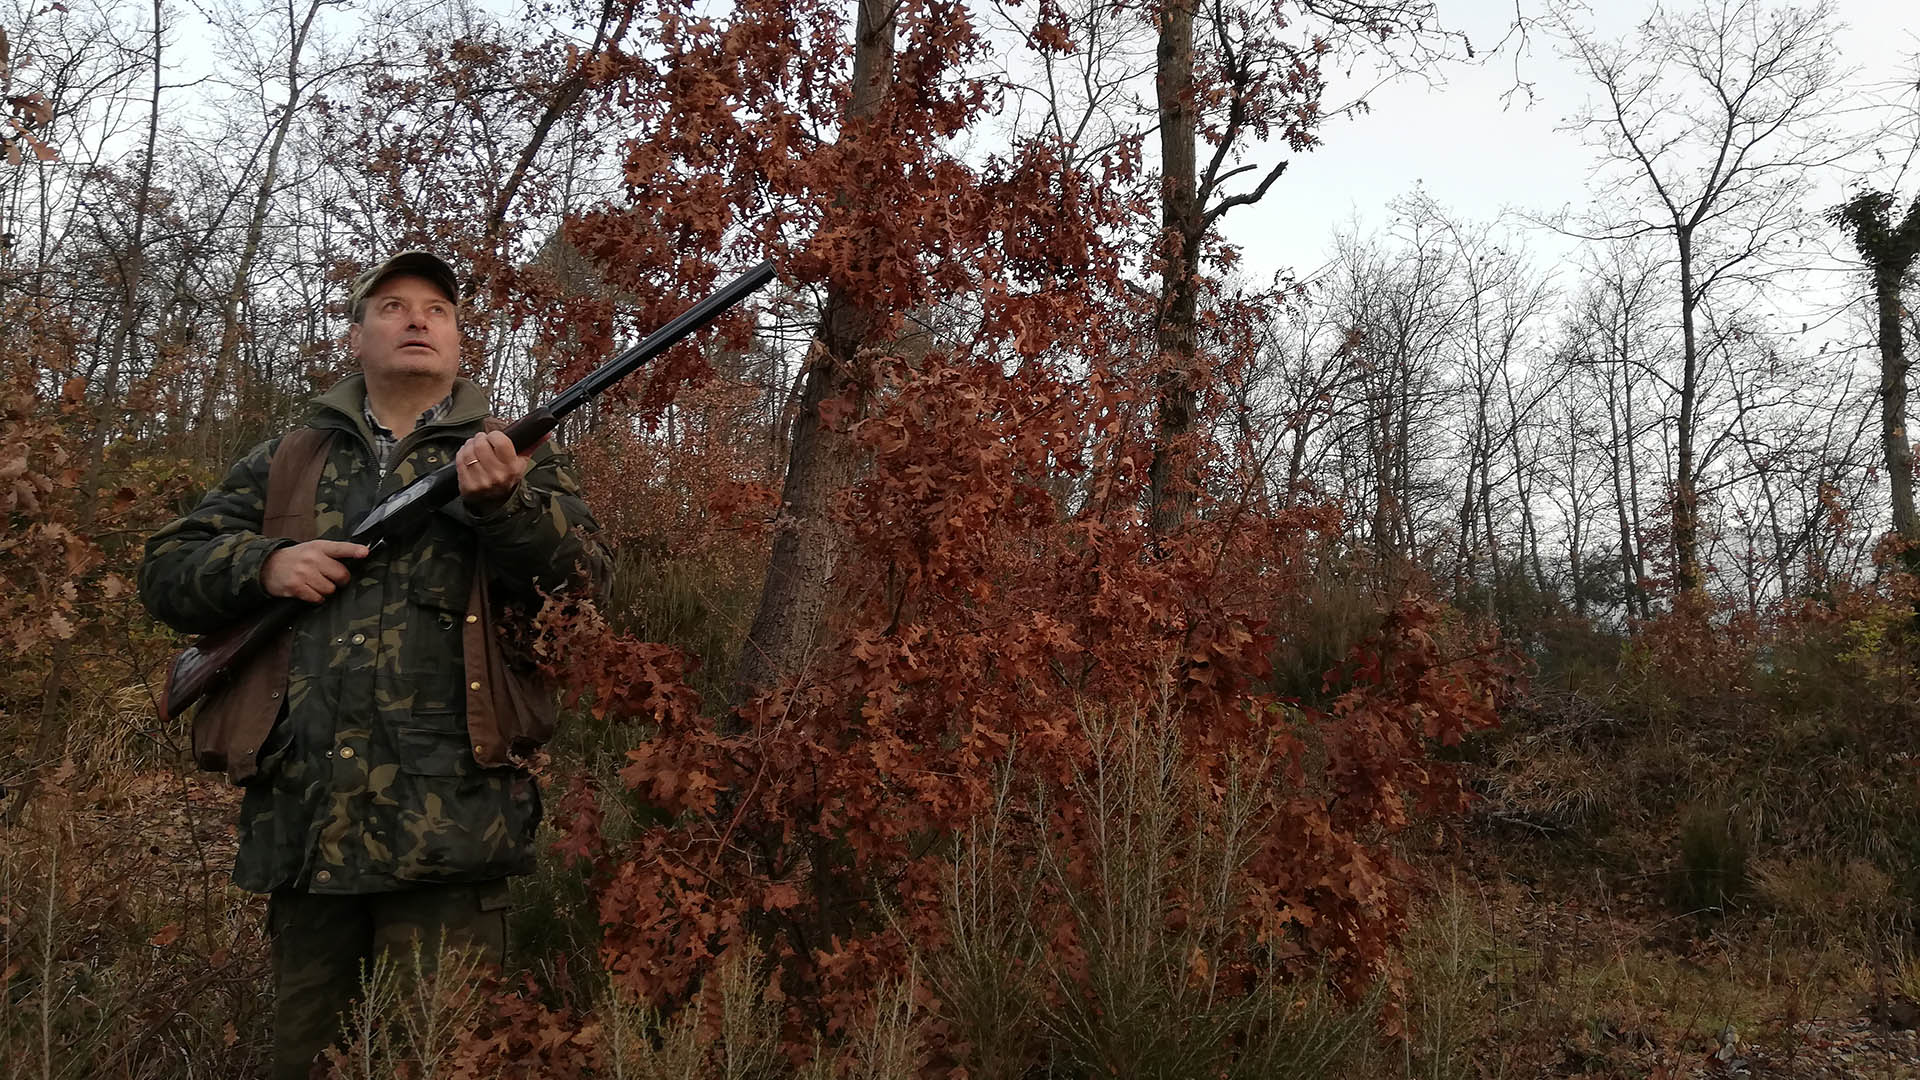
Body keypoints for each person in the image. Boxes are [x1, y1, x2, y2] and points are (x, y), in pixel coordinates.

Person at [138, 250, 609, 1079]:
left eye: (438, 309)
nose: (418, 319)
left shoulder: (515, 457)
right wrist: (266, 565)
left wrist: (509, 509)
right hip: (305, 826)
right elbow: (168, 568)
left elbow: (585, 588)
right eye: (392, 307)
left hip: (453, 829)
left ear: (462, 343)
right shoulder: (288, 456)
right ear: (356, 338)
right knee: (304, 1060)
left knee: (442, 1058)